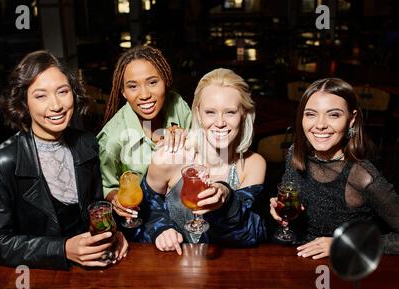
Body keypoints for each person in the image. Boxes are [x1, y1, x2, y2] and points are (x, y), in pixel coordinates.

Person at [0, 50, 128, 269]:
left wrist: (113, 234)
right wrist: (62, 250)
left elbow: (97, 208)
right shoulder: (2, 162)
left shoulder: (88, 144)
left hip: (91, 269)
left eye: (62, 91)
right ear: (24, 102)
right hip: (38, 276)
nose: (56, 105)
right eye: (40, 96)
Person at [269, 78, 399, 259]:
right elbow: (292, 198)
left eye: (334, 115)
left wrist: (346, 243)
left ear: (351, 119)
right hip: (297, 259)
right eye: (311, 114)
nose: (320, 125)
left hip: (343, 270)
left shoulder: (362, 175)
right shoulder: (295, 153)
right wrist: (280, 209)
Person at [143, 68, 267, 254]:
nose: (219, 122)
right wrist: (160, 228)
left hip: (228, 273)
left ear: (244, 114)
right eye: (210, 112)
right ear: (198, 113)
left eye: (230, 112)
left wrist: (227, 200)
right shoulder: (169, 156)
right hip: (172, 270)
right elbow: (141, 213)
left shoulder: (253, 164)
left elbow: (250, 234)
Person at [97, 45, 191, 227]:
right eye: (133, 86)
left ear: (166, 81)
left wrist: (187, 137)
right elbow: (106, 185)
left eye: (152, 82)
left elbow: (203, 153)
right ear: (123, 92)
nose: (145, 95)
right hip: (143, 220)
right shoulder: (112, 138)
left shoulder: (177, 104)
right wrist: (116, 199)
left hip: (186, 209)